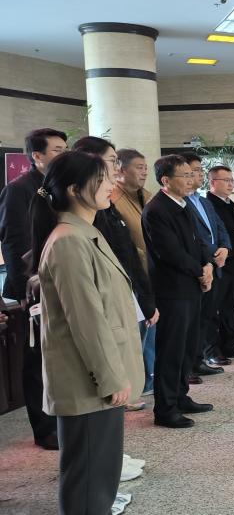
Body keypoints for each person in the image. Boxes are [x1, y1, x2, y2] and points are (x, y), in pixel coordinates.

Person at [29, 151, 143, 514]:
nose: (112, 184)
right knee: (89, 480)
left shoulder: (84, 232)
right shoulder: (68, 240)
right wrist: (110, 377)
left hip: (95, 381)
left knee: (100, 478)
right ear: (75, 189)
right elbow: (86, 319)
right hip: (88, 383)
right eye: (104, 178)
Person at [72, 137, 158, 415]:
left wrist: (144, 296)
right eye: (111, 163)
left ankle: (131, 387)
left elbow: (128, 251)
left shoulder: (109, 208)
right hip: (110, 294)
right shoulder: (71, 233)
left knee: (133, 345)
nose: (114, 175)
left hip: (129, 286)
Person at [0, 127, 66, 450]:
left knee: (56, 357)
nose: (64, 155)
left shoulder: (56, 188)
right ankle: (44, 428)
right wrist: (28, 289)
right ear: (36, 156)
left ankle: (60, 417)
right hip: (33, 289)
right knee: (37, 360)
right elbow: (14, 243)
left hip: (57, 282)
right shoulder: (18, 190)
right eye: (57, 150)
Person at [143, 155, 214, 429]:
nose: (191, 179)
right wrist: (200, 270)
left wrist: (207, 264)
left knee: (187, 347)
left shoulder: (184, 204)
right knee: (171, 349)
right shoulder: (157, 210)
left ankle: (181, 396)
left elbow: (199, 242)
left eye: (191, 174)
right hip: (172, 290)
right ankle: (165, 408)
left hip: (192, 286)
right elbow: (170, 253)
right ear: (166, 180)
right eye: (184, 175)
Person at [111, 148, 157, 397]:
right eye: (139, 167)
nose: (144, 171)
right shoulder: (113, 199)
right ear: (120, 168)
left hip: (152, 274)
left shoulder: (147, 196)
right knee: (137, 335)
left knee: (151, 332)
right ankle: (138, 385)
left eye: (145, 167)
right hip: (132, 277)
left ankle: (148, 380)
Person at [182, 153, 231, 375]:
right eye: (195, 171)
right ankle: (189, 366)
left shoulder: (203, 201)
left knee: (206, 317)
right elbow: (195, 237)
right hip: (197, 268)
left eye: (201, 170)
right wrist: (212, 255)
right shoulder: (181, 204)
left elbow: (220, 228)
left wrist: (225, 248)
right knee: (193, 321)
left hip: (214, 267)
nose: (200, 174)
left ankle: (198, 360)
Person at [205, 165, 234, 359]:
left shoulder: (231, 204)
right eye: (227, 180)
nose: (231, 184)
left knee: (230, 307)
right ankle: (212, 349)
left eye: (232, 180)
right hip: (219, 264)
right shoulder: (208, 204)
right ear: (213, 182)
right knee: (214, 309)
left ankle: (229, 344)